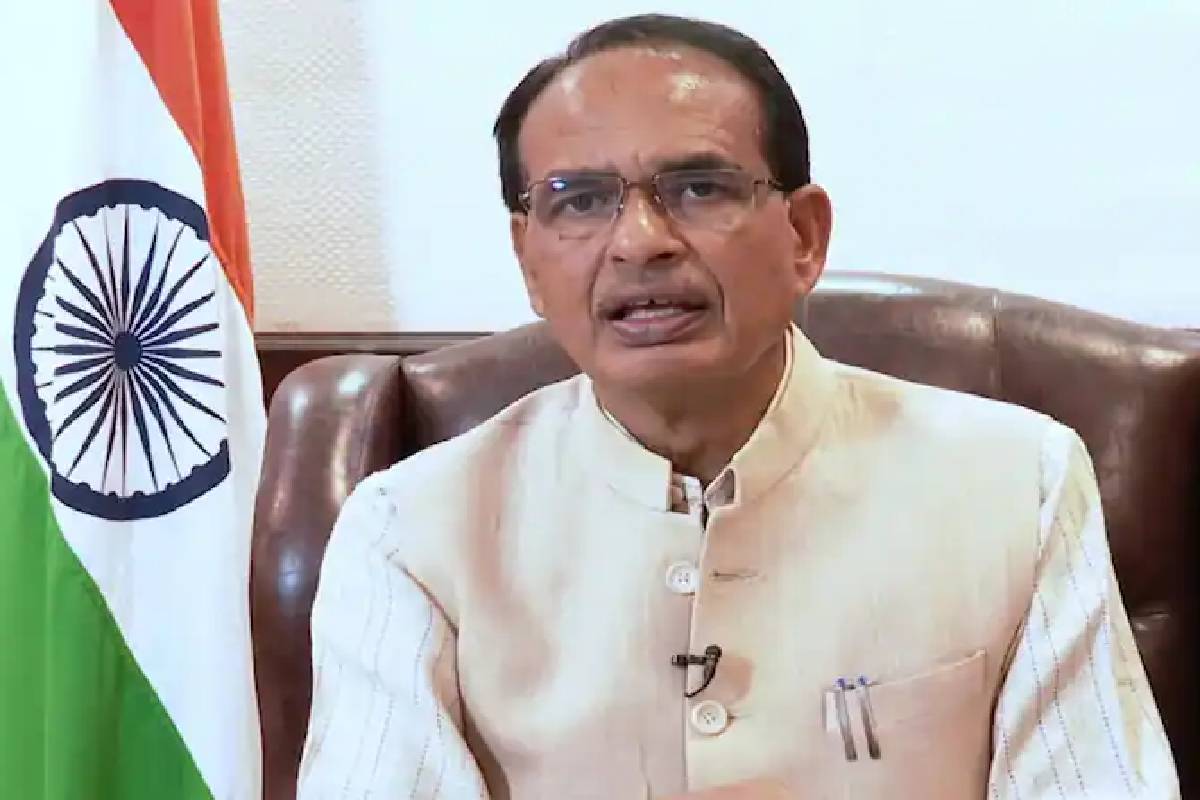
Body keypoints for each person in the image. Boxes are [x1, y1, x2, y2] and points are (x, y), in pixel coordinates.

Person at [297, 14, 1179, 799]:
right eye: (580, 202)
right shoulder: (409, 532)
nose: (640, 242)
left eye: (699, 188)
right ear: (529, 259)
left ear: (804, 237)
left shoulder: (1016, 481)